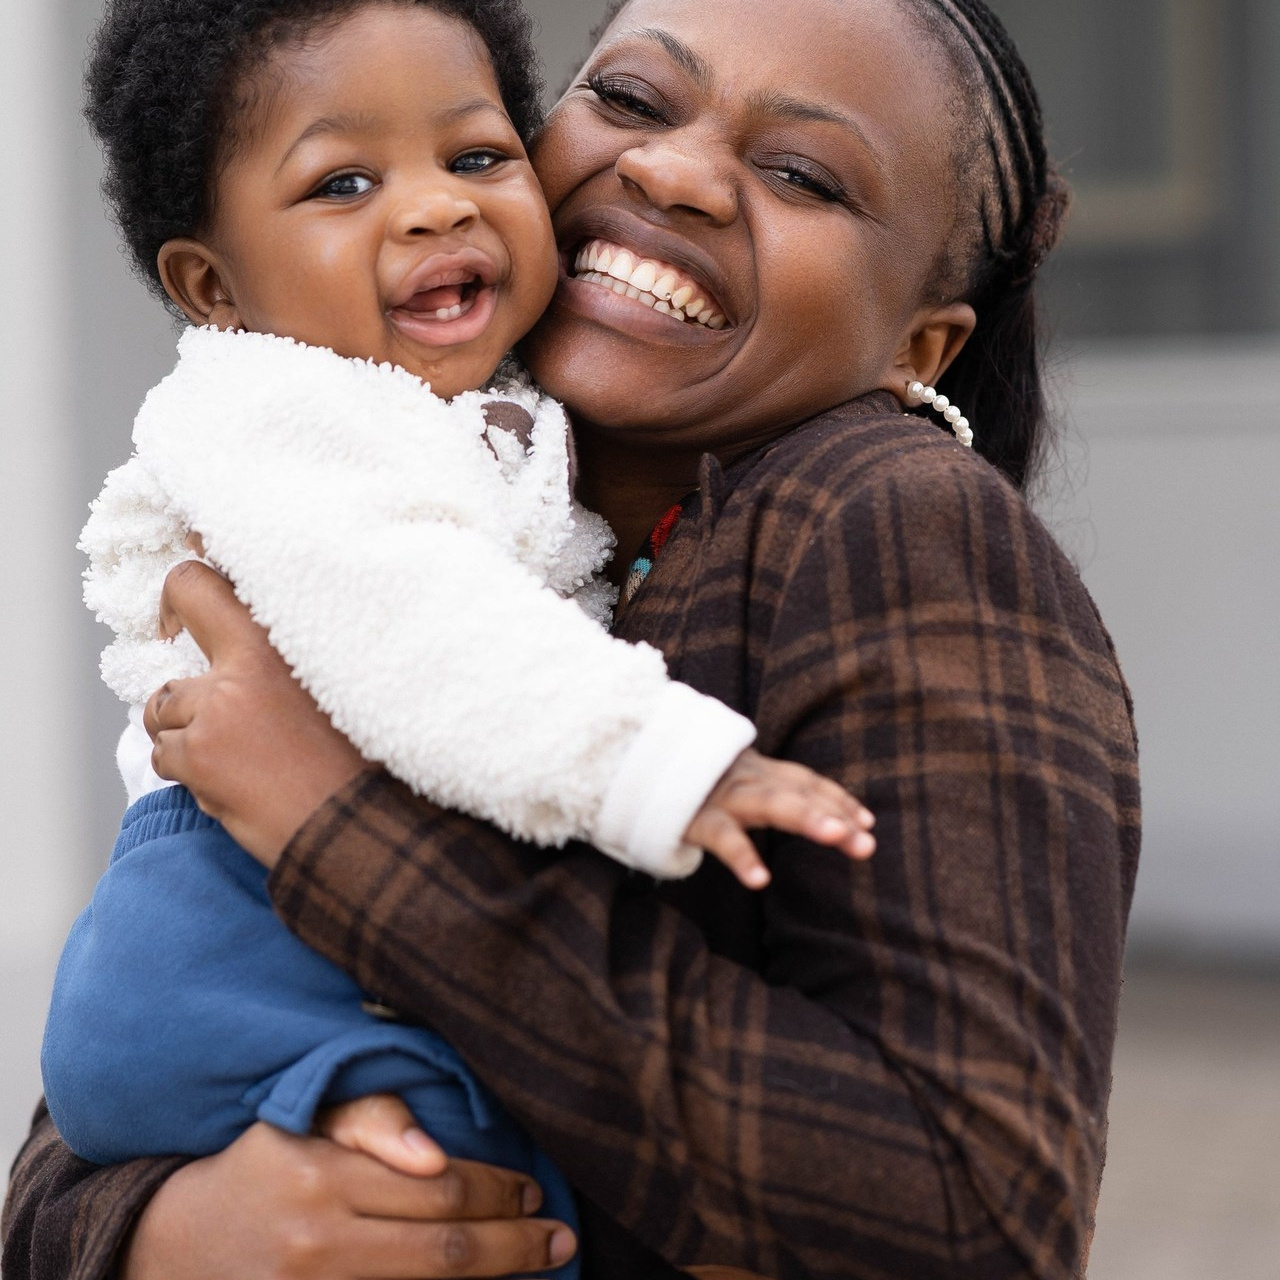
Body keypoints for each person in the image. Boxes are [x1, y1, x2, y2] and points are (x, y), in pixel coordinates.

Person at [3, 0, 1140, 1278]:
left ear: (916, 344)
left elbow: (977, 1217)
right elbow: (108, 1084)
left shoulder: (890, 522)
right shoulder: (427, 478)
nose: (668, 169)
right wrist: (170, 1235)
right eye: (633, 101)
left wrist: (343, 824)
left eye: (801, 174)